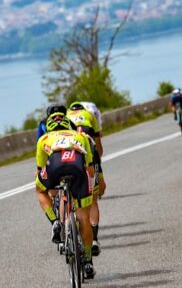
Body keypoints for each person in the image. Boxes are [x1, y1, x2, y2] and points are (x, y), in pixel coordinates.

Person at [35, 113, 96, 279]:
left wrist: (50, 186)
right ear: (68, 125)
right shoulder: (80, 136)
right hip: (77, 169)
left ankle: (55, 222)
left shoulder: (44, 138)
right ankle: (89, 260)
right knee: (84, 217)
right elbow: (90, 169)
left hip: (55, 167)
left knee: (40, 191)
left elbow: (40, 169)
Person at [66, 101, 105, 256]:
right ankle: (94, 239)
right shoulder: (90, 114)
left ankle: (66, 229)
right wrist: (98, 161)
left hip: (68, 158)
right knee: (92, 199)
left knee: (66, 196)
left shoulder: (66, 117)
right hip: (88, 155)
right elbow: (98, 142)